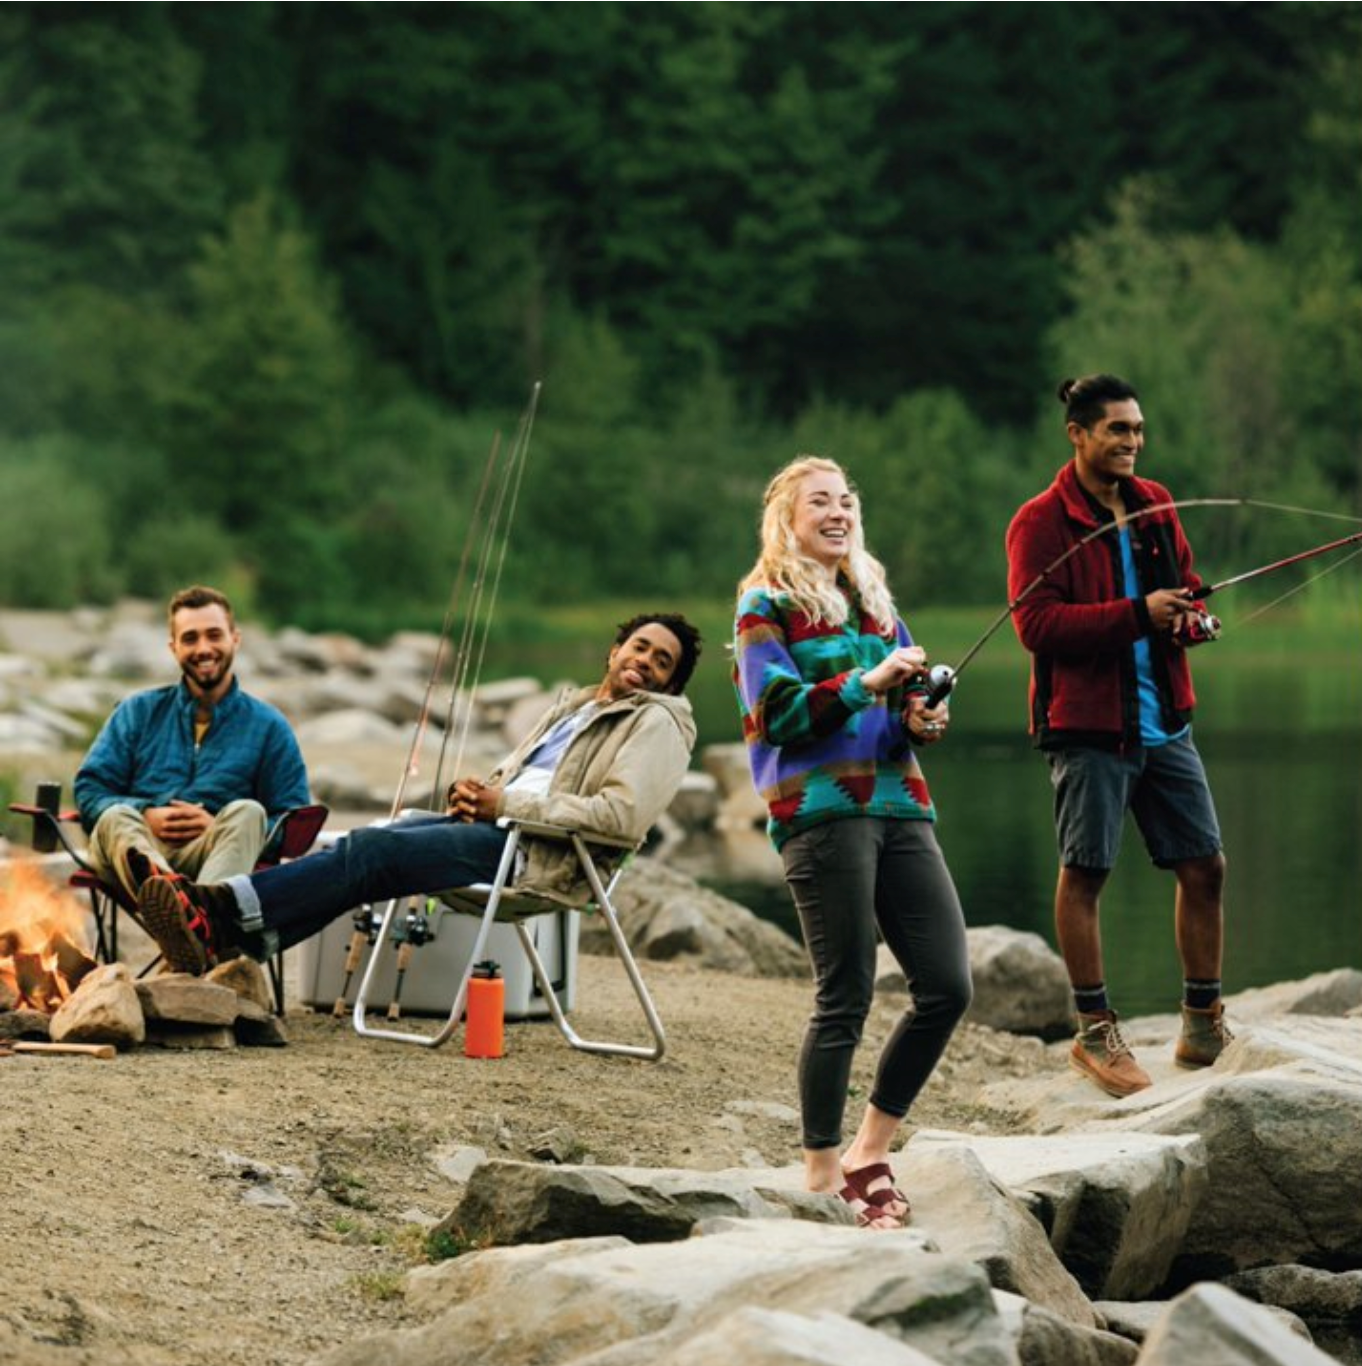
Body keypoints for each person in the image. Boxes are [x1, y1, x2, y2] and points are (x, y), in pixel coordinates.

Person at [134, 613, 701, 975]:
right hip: (500, 832)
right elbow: (522, 782)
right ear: (615, 650)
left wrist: (503, 805)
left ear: (671, 685)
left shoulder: (658, 724)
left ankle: (218, 911)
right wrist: (477, 792)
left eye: (661, 662)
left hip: (539, 858)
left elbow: (620, 817)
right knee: (367, 843)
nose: (644, 662)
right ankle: (230, 940)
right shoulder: (575, 708)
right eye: (640, 647)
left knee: (375, 856)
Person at [733, 456, 970, 1231]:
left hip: (902, 804)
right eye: (819, 503)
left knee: (946, 985)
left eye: (845, 501)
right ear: (788, 518)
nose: (837, 513)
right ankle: (821, 1172)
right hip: (821, 811)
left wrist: (918, 717)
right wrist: (866, 687)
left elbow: (903, 712)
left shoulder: (874, 602)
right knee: (846, 998)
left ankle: (871, 1150)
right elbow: (775, 714)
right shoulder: (762, 604)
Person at [1006, 374, 1232, 1099]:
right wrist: (1140, 613)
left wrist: (1190, 617)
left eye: (1137, 430)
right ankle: (1094, 1032)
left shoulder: (1157, 504)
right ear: (1078, 433)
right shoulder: (1040, 521)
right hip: (1088, 727)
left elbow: (1186, 585)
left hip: (1163, 720)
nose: (1132, 442)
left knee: (1206, 868)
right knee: (1087, 873)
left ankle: (1201, 1023)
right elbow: (1034, 626)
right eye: (1117, 431)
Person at [74, 585, 311, 915]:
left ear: (235, 639)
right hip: (134, 852)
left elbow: (292, 819)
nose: (204, 648)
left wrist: (217, 825)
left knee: (248, 812)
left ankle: (190, 919)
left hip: (215, 860)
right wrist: (146, 813)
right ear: (174, 648)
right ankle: (186, 915)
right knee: (116, 817)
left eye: (214, 635)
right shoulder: (136, 712)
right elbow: (89, 791)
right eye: (190, 638)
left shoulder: (269, 726)